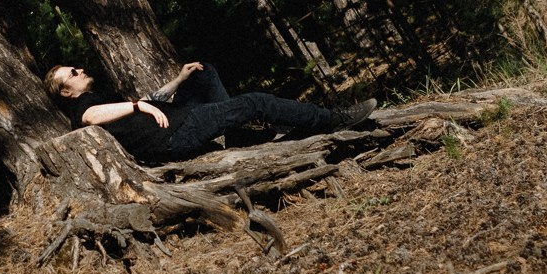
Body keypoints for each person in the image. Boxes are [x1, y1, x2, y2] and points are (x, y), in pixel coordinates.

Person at [44, 61, 375, 163]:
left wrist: (179, 79)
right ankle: (333, 120)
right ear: (65, 92)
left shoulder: (98, 99)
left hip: (179, 119)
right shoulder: (81, 108)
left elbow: (150, 98)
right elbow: (89, 119)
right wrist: (137, 105)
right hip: (176, 135)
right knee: (254, 102)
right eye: (72, 73)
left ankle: (238, 135)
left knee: (202, 74)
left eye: (76, 68)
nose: (79, 70)